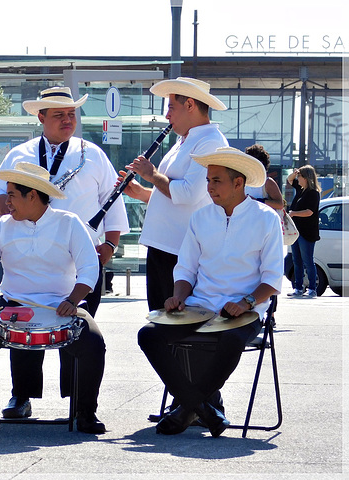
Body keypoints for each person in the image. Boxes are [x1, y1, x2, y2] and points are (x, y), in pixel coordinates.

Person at [0, 86, 129, 419]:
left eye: (71, 114)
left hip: (82, 260)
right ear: (41, 117)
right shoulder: (19, 155)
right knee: (23, 326)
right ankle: (21, 396)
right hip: (28, 258)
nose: (68, 120)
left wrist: (110, 245)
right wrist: (9, 204)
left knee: (76, 330)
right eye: (59, 115)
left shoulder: (92, 154)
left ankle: (78, 399)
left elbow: (114, 200)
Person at [138, 147, 283, 438]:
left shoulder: (266, 219)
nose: (209, 187)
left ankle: (187, 409)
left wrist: (247, 302)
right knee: (149, 335)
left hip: (245, 310)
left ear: (239, 183)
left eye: (216, 180)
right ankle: (202, 408)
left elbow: (272, 279)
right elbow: (186, 269)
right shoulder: (201, 217)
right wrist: (178, 294)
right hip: (199, 305)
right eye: (208, 180)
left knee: (229, 340)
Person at [0, 162, 107, 434]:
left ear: (33, 195)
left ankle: (86, 412)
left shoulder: (69, 223)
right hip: (13, 306)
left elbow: (89, 267)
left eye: (12, 194)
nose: (6, 202)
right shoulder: (3, 226)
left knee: (93, 341)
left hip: (63, 304)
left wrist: (73, 300)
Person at [121, 77, 229, 417]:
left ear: (190, 105)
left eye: (171, 105)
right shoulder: (185, 141)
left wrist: (152, 175)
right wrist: (142, 192)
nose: (166, 113)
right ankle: (189, 399)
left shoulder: (210, 142)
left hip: (182, 250)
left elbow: (187, 195)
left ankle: (200, 401)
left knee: (179, 326)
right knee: (166, 325)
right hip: (165, 245)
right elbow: (172, 195)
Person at [286, 165, 321, 298]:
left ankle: (312, 289)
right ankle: (298, 288)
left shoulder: (313, 193)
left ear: (306, 178)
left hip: (307, 233)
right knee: (297, 261)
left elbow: (309, 212)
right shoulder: (300, 190)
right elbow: (289, 180)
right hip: (296, 232)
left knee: (307, 260)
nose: (298, 179)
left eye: (300, 176)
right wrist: (294, 173)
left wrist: (294, 213)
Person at [244, 144, 284, 210]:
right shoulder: (244, 181)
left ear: (260, 163)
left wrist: (257, 201)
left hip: (263, 219)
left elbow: (280, 204)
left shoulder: (267, 182)